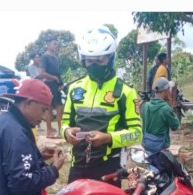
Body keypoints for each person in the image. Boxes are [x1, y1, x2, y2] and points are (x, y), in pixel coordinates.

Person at [62, 26, 142, 182]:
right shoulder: (74, 89)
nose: (94, 65)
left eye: (99, 60)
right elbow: (64, 124)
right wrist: (66, 132)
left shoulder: (126, 92)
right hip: (77, 167)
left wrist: (108, 138)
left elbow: (137, 133)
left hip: (109, 168)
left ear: (111, 58)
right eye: (89, 60)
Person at [141, 78, 180, 155]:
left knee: (150, 166)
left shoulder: (145, 106)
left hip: (147, 145)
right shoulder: (165, 109)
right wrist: (171, 106)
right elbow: (175, 126)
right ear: (166, 91)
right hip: (160, 148)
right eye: (169, 89)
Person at [39, 38, 65, 137]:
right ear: (48, 45)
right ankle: (49, 131)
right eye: (54, 44)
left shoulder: (56, 57)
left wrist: (61, 83)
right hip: (48, 85)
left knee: (60, 108)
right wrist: (53, 77)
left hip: (57, 85)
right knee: (48, 109)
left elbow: (58, 73)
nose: (56, 45)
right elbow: (41, 73)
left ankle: (61, 131)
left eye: (56, 44)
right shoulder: (45, 57)